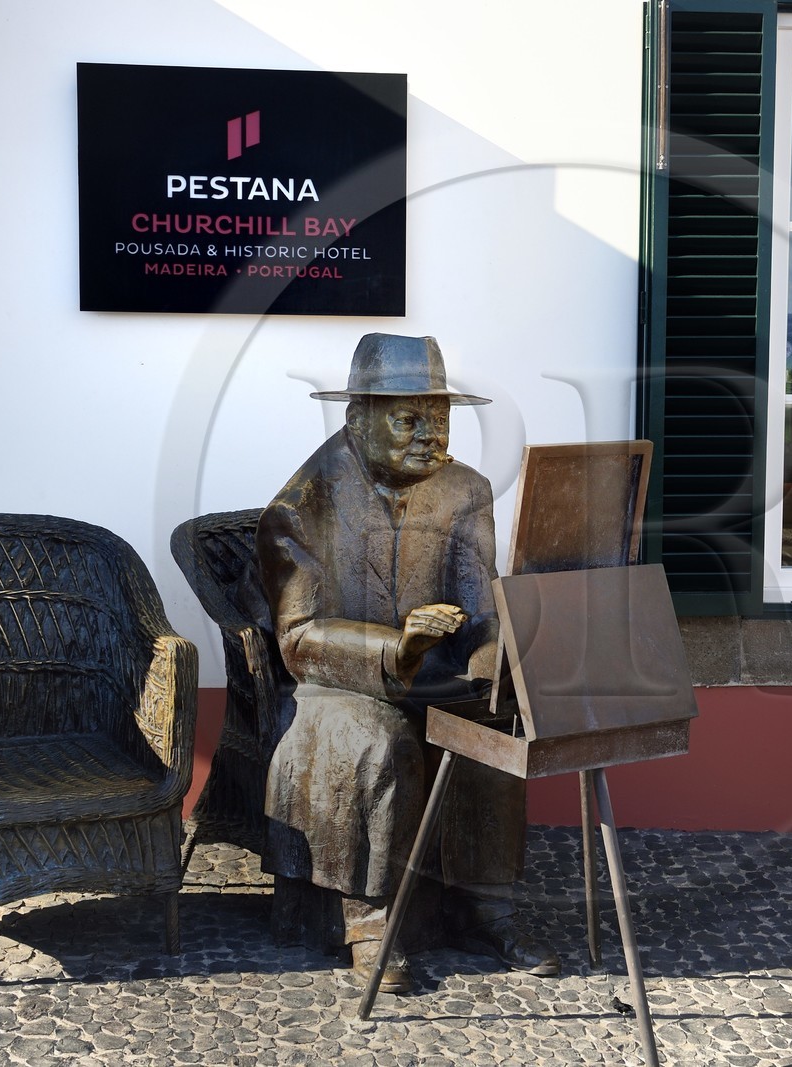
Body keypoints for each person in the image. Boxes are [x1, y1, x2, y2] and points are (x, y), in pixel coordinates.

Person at [251, 333, 558, 993]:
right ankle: (370, 924)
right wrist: (398, 646)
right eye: (408, 418)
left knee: (495, 725)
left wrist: (495, 663)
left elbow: (481, 609)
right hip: (336, 683)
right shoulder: (300, 508)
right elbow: (298, 638)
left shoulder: (466, 490)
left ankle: (485, 908)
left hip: (440, 674)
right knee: (377, 740)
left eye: (439, 417)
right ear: (358, 417)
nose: (430, 435)